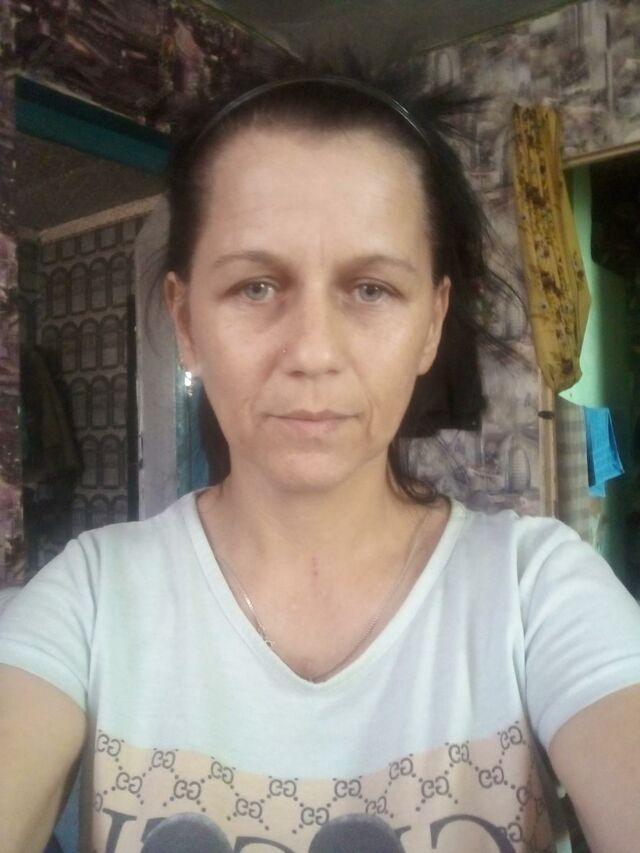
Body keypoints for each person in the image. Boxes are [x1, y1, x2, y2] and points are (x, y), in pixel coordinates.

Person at [1, 59, 640, 853]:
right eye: (256, 287)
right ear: (187, 322)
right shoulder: (91, 598)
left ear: (431, 323)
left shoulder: (536, 591)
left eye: (371, 289)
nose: (312, 352)